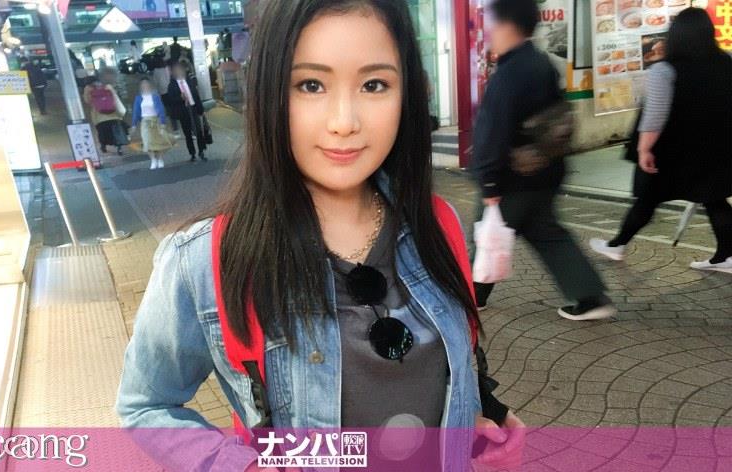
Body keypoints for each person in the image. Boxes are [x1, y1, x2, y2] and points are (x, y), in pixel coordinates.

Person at [116, 1, 524, 471]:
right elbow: (145, 405)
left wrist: (473, 420)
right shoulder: (205, 260)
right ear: (270, 93)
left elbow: (452, 368)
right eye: (311, 85)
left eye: (374, 85)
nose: (344, 122)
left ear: (406, 94)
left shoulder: (436, 223)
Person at [470, 0, 615, 320]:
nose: (489, 31)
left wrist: (488, 181)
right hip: (546, 172)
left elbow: (492, 132)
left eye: (492, 24)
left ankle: (470, 296)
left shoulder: (509, 74)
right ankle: (591, 298)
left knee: (487, 236)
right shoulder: (542, 63)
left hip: (512, 178)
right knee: (548, 235)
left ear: (508, 26)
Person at [590, 8, 732, 272]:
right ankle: (727, 256)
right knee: (714, 198)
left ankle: (617, 245)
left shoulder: (664, 70)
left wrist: (644, 148)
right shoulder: (727, 62)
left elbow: (655, 115)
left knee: (648, 197)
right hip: (716, 147)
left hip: (672, 150)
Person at [164, 61, 207, 161]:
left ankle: (201, 151)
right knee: (188, 133)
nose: (179, 72)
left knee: (198, 131)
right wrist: (180, 98)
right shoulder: (172, 85)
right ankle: (192, 153)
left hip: (193, 108)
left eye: (180, 70)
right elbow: (170, 100)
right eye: (176, 71)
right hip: (183, 111)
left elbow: (196, 95)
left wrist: (201, 110)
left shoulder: (189, 81)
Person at [131, 78, 174, 170]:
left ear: (150, 85)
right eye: (143, 84)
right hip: (145, 123)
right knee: (147, 142)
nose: (145, 86)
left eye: (146, 84)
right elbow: (136, 111)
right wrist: (134, 124)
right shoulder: (138, 98)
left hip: (156, 121)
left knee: (160, 141)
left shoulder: (155, 96)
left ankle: (160, 158)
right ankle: (153, 159)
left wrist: (162, 122)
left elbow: (161, 109)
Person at [84, 78, 128, 156]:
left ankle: (103, 146)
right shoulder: (108, 87)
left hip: (100, 118)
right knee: (116, 133)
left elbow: (88, 101)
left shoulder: (90, 90)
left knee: (103, 133)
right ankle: (119, 148)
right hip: (113, 116)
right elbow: (115, 98)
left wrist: (87, 92)